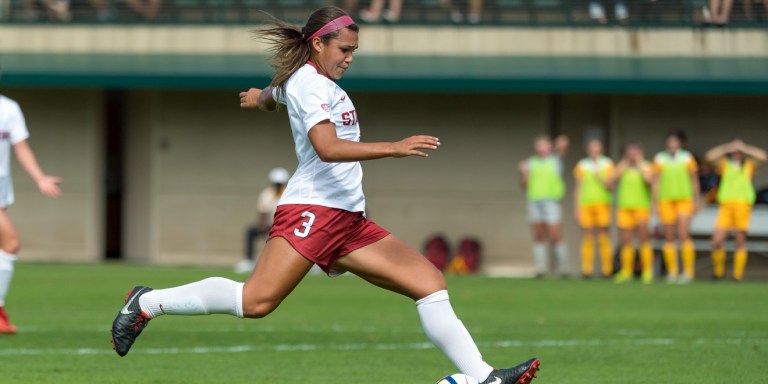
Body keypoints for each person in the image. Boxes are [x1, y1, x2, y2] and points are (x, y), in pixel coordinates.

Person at [110, 7, 540, 384]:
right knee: (255, 302)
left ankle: (484, 377)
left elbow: (277, 94)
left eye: (353, 51)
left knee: (429, 283)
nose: (350, 59)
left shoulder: (309, 82)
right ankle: (147, 303)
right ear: (318, 44)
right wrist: (395, 147)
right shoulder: (311, 85)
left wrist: (261, 97)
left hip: (349, 219)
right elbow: (327, 148)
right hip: (313, 210)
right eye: (344, 50)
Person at [0, 94, 62, 333]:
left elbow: (21, 148)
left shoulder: (9, 108)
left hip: (2, 187)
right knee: (10, 243)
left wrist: (40, 178)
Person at [705, 139, 766, 281]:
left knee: (740, 240)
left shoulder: (749, 165)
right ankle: (718, 272)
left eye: (739, 152)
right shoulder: (725, 165)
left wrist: (745, 147)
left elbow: (763, 157)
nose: (737, 154)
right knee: (717, 241)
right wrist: (727, 147)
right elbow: (709, 156)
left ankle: (737, 275)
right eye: (735, 152)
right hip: (726, 206)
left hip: (743, 206)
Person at [652, 131, 701, 283]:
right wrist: (654, 202)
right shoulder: (660, 158)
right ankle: (672, 272)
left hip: (684, 199)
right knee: (669, 235)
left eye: (675, 142)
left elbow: (694, 180)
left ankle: (688, 272)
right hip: (666, 200)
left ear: (680, 144)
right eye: (670, 142)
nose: (672, 145)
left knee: (684, 232)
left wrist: (697, 199)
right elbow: (656, 182)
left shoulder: (686, 157)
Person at [518, 134, 569, 278]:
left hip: (551, 201)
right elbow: (523, 184)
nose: (540, 148)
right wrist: (524, 173)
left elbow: (564, 143)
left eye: (543, 145)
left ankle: (564, 267)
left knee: (555, 235)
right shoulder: (530, 162)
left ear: (549, 147)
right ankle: (540, 268)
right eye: (538, 145)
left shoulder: (555, 160)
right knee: (538, 235)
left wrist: (553, 145)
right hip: (534, 201)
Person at [611, 144, 654, 284]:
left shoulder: (646, 166)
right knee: (626, 240)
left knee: (643, 238)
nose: (632, 157)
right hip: (624, 207)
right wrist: (624, 163)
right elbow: (610, 181)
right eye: (630, 154)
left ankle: (647, 271)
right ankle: (626, 271)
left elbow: (649, 180)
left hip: (641, 207)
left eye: (635, 154)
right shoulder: (622, 167)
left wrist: (640, 164)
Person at [234, 167, 290, 274]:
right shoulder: (267, 193)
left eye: (280, 184)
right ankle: (249, 261)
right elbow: (263, 210)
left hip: (286, 226)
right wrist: (261, 225)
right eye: (276, 184)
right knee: (250, 231)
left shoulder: (289, 193)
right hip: (269, 225)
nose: (278, 186)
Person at [573, 139, 614, 278]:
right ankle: (587, 270)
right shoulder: (582, 165)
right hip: (586, 203)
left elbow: (610, 186)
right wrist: (577, 207)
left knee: (603, 235)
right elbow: (578, 188)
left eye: (597, 148)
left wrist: (599, 176)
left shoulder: (607, 163)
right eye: (592, 148)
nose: (594, 151)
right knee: (587, 235)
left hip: (602, 202)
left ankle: (607, 270)